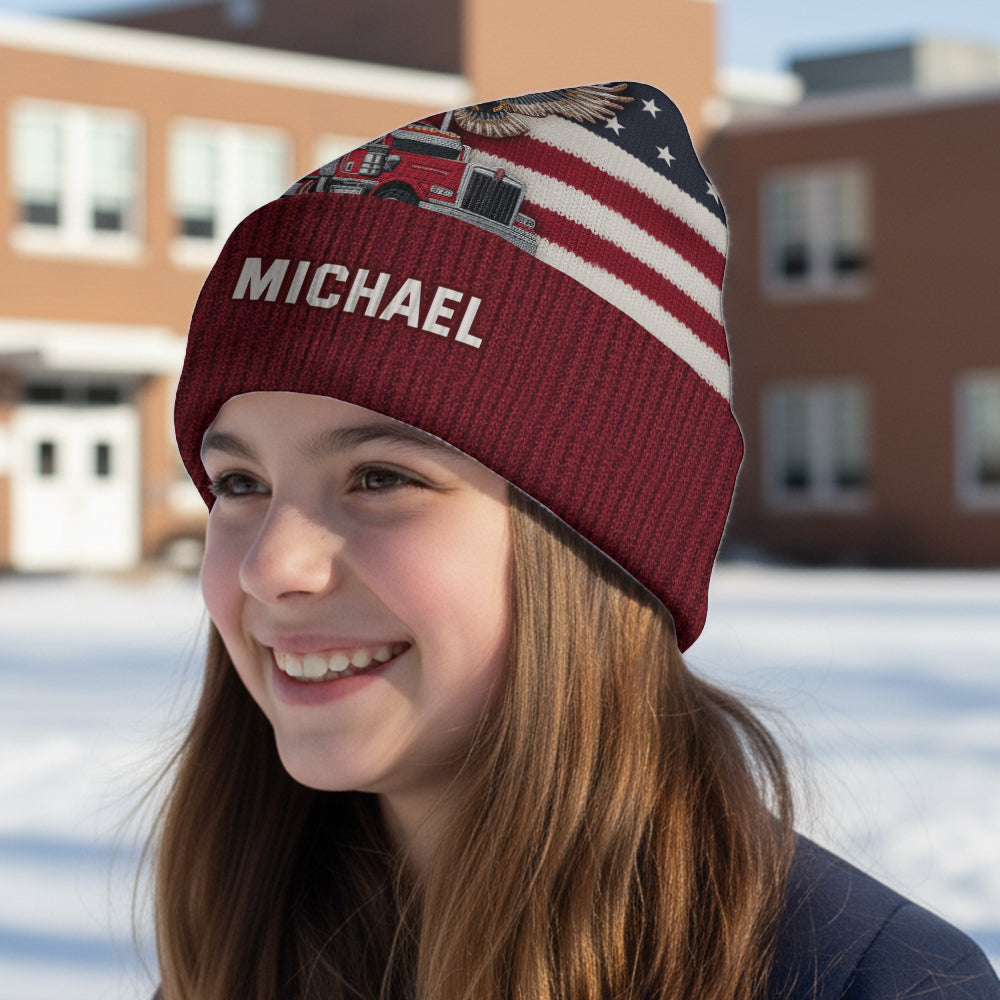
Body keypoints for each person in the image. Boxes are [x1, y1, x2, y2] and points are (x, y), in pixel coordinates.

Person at [157, 81, 999, 1000]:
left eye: (382, 478)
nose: (271, 566)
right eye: (240, 483)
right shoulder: (240, 952)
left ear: (596, 544)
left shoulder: (875, 984)